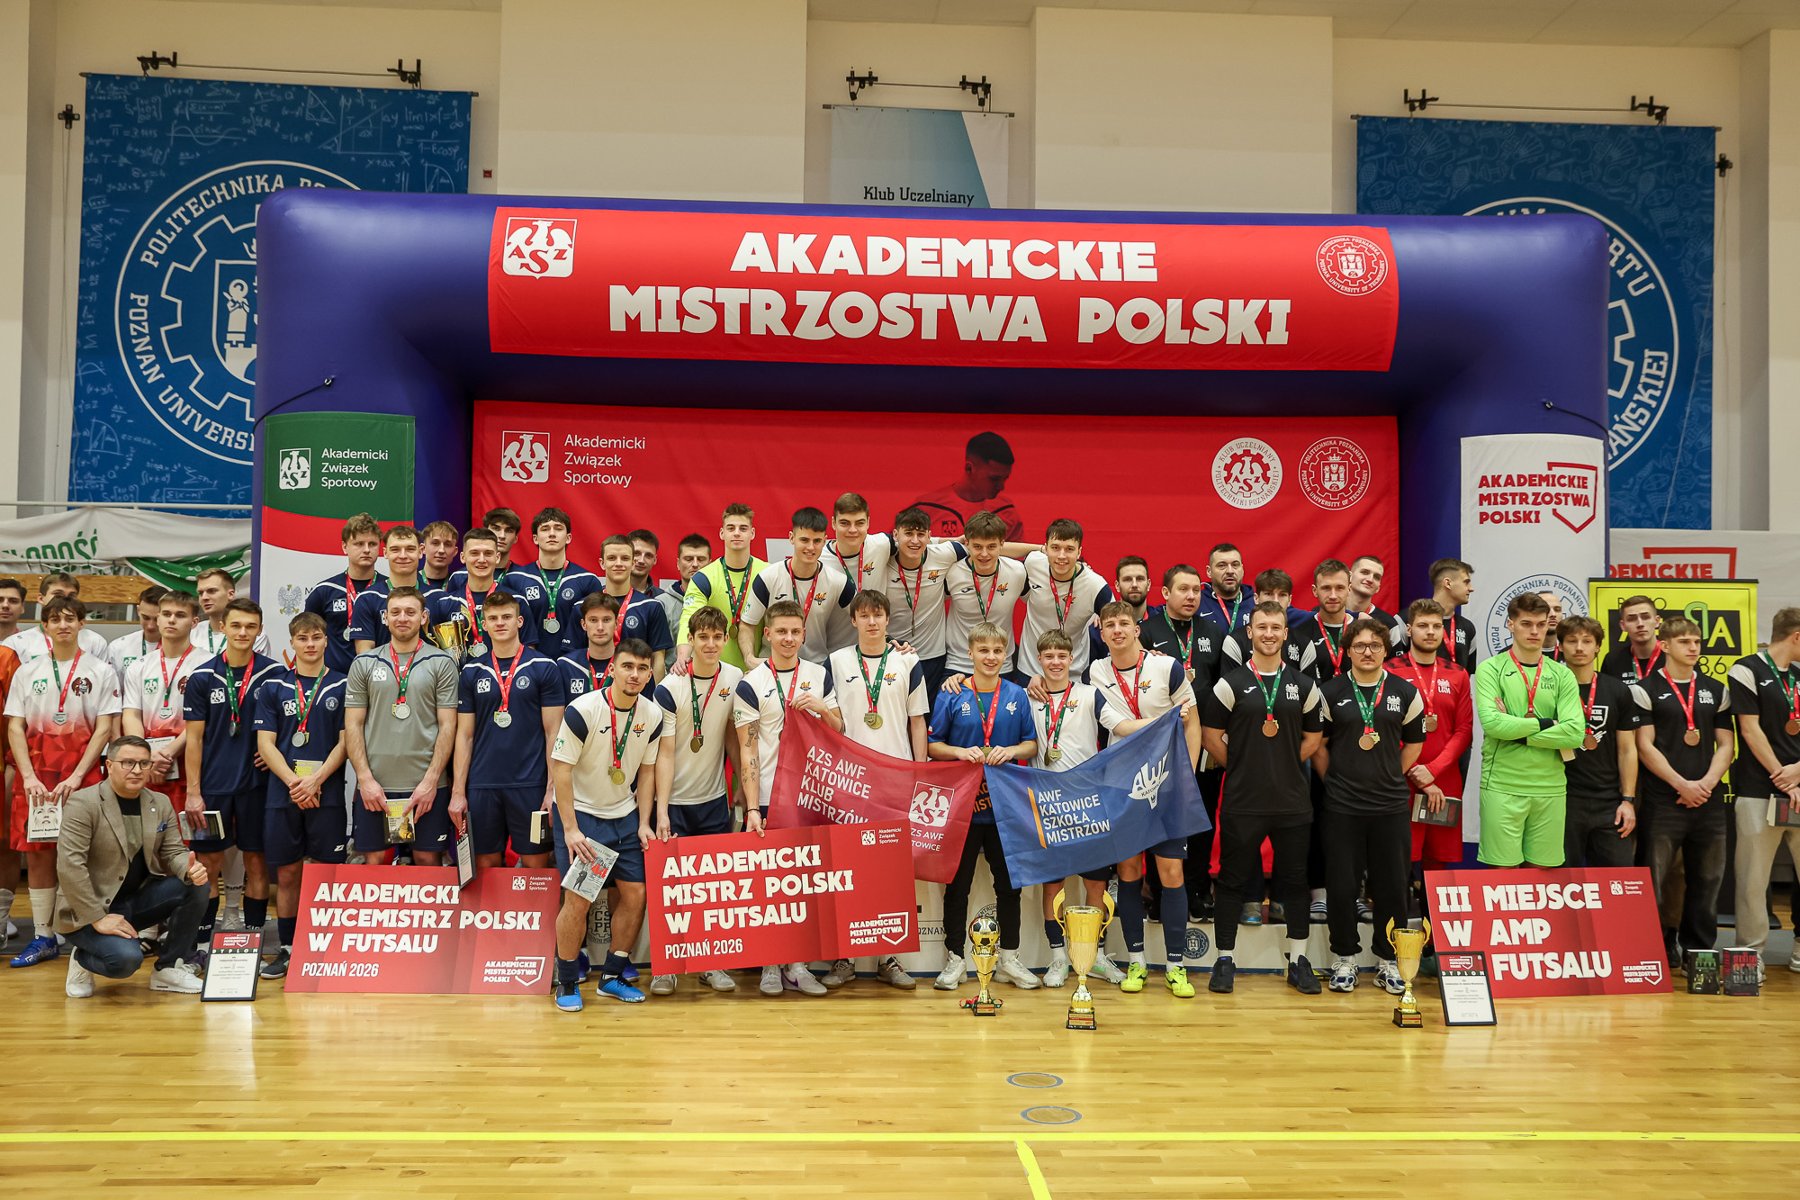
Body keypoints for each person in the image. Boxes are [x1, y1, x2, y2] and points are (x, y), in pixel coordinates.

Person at [1201, 600, 1325, 995]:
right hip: (1243, 800)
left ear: (1286, 634)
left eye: (1275, 627)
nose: (1268, 634)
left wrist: (1284, 763)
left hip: (1291, 802)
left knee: (1294, 882)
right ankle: (1224, 959)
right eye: (1261, 627)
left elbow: (1314, 738)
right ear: (1249, 633)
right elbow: (1210, 736)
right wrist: (1241, 766)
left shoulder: (1304, 686)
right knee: (1233, 880)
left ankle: (1299, 961)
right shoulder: (1230, 684)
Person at [1088, 600, 1202, 997]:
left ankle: (1175, 966)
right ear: (1102, 634)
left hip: (1166, 782)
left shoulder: (1166, 667)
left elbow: (1193, 721)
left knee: (1171, 873)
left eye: (1124, 623)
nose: (1118, 630)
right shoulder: (1096, 672)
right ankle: (1136, 962)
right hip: (1122, 785)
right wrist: (1167, 719)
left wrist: (1186, 775)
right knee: (1129, 871)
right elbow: (1119, 726)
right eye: (1110, 626)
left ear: (1137, 629)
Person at [732, 599, 841, 997]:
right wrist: (752, 807)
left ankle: (798, 966)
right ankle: (770, 964)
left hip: (809, 793)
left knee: (805, 883)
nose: (789, 638)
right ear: (767, 635)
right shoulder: (752, 682)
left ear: (804, 634)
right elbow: (747, 749)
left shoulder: (818, 675)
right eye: (781, 631)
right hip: (768, 794)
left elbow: (839, 730)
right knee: (769, 884)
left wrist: (822, 710)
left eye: (795, 632)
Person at [6, 595, 121, 967]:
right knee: (39, 853)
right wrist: (27, 776)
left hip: (82, 773)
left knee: (81, 853)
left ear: (82, 624)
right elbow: (15, 726)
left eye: (70, 618)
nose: (63, 625)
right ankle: (43, 936)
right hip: (37, 774)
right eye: (55, 619)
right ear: (44, 626)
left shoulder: (100, 670)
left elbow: (104, 728)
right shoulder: (28, 671)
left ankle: (75, 931)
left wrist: (77, 776)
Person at [548, 638, 663, 1011]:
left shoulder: (652, 714)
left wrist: (643, 822)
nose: (634, 675)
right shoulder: (583, 710)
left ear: (650, 674)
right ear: (612, 668)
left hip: (624, 814)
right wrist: (570, 829)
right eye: (627, 666)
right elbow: (561, 770)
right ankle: (568, 981)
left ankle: (612, 977)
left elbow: (647, 772)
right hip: (582, 815)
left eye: (642, 668)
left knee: (636, 895)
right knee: (579, 899)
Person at [821, 589, 926, 990]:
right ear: (853, 621)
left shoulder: (908, 662)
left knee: (891, 873)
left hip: (895, 781)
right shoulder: (835, 662)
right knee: (846, 872)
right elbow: (833, 723)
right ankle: (844, 958)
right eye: (863, 615)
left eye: (877, 615)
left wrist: (918, 775)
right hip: (850, 781)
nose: (871, 622)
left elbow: (917, 721)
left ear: (887, 619)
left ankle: (888, 957)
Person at [929, 621, 1040, 994]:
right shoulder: (952, 693)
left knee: (1009, 886)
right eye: (983, 650)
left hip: (1005, 807)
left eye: (997, 651)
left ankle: (1009, 958)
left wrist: (1012, 750)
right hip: (963, 806)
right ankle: (955, 959)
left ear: (1005, 654)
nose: (990, 657)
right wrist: (960, 752)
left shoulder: (1017, 695)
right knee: (956, 885)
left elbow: (1031, 744)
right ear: (971, 652)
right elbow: (933, 746)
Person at [1318, 618, 1427, 995]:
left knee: (1393, 885)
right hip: (1342, 805)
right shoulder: (1330, 692)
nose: (1368, 652)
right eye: (1360, 646)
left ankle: (1388, 959)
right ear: (1347, 651)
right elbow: (1318, 746)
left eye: (1375, 646)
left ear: (1386, 650)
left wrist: (1389, 775)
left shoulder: (1405, 692)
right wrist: (1337, 780)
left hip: (1390, 804)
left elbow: (1414, 744)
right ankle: (1344, 958)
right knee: (1342, 885)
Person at [56, 736, 209, 998]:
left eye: (143, 763)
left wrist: (189, 868)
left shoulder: (159, 802)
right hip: (88, 910)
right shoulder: (83, 803)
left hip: (134, 902)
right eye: (128, 763)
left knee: (195, 885)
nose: (137, 770)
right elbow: (70, 865)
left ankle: (168, 968)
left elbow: (173, 851)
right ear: (109, 765)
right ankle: (82, 959)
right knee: (126, 961)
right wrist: (97, 918)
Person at [648, 607, 744, 996]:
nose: (710, 644)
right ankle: (666, 967)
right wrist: (661, 810)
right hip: (675, 802)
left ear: (726, 639)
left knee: (712, 888)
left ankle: (711, 963)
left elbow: (734, 735)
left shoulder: (734, 678)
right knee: (669, 887)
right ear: (690, 639)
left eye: (717, 637)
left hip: (713, 800)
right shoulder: (670, 687)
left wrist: (740, 785)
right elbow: (665, 752)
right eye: (702, 637)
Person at [1025, 630, 1127, 988]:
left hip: (1089, 803)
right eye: (1049, 656)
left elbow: (1120, 726)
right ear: (1039, 659)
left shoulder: (1089, 694)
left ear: (1072, 659)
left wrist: (1162, 721)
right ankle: (1058, 958)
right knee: (1053, 885)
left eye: (1061, 656)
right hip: (1048, 804)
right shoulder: (1028, 697)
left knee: (1095, 883)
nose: (1055, 662)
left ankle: (1095, 955)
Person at [252, 612, 350, 978]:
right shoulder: (274, 687)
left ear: (326, 640)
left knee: (326, 873)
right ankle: (289, 948)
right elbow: (265, 743)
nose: (310, 644)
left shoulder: (343, 684)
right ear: (292, 642)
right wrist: (296, 783)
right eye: (303, 638)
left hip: (327, 792)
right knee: (288, 873)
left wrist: (316, 780)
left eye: (316, 637)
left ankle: (324, 946)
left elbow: (347, 742)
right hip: (284, 794)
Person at [1632, 616, 1733, 965]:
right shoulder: (1644, 689)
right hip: (1663, 801)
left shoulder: (1716, 690)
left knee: (1708, 879)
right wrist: (1681, 784)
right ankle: (1655, 947)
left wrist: (1706, 784)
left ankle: (1698, 951)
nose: (1693, 648)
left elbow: (1726, 744)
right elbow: (1644, 746)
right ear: (1665, 646)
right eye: (1685, 642)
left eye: (1697, 642)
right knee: (1655, 879)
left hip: (1708, 801)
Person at [182, 597, 283, 947]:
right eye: (236, 625)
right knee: (208, 863)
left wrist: (274, 755)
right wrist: (193, 792)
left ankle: (253, 938)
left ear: (259, 630)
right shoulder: (202, 677)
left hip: (258, 785)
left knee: (256, 861)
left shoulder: (274, 675)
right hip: (213, 786)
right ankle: (202, 942)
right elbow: (194, 739)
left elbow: (286, 727)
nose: (243, 632)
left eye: (250, 626)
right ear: (222, 626)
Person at [450, 589, 566, 871]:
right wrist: (458, 791)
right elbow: (464, 735)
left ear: (519, 621)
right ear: (484, 624)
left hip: (531, 783)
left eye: (506, 617)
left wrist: (552, 788)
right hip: (483, 783)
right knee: (485, 864)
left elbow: (554, 733)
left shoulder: (544, 667)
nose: (500, 623)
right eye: (493, 618)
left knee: (536, 865)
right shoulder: (471, 671)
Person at [345, 587, 461, 867]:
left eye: (410, 612)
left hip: (427, 784)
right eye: (395, 612)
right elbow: (353, 724)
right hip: (376, 785)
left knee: (427, 859)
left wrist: (431, 782)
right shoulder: (364, 663)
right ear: (385, 618)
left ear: (424, 617)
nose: (402, 618)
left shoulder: (442, 662)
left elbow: (448, 726)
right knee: (374, 860)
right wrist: (365, 780)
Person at [1137, 564, 1226, 920]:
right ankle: (1158, 892)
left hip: (1202, 743)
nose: (1191, 596)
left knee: (1200, 816)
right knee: (1157, 815)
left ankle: (1197, 888)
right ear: (1165, 593)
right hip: (1159, 743)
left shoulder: (1214, 631)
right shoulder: (1147, 631)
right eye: (1183, 590)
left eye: (1196, 590)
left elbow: (1223, 687)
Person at [1473, 591, 1585, 868]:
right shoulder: (1491, 669)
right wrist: (1549, 724)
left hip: (1551, 787)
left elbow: (1574, 733)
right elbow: (1493, 724)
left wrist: (1517, 731)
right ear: (1511, 624)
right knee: (1504, 876)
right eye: (1526, 624)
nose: (1534, 631)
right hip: (1502, 784)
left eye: (1540, 624)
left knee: (1543, 876)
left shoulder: (1562, 674)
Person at [1727, 607, 1800, 979]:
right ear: (1796, 636)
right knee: (1752, 881)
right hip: (1759, 790)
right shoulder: (1746, 669)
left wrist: (1798, 772)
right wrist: (1783, 776)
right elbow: (1749, 730)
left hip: (1799, 785)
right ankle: (1749, 956)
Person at [1385, 600, 1473, 872]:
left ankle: (1430, 904)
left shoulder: (1458, 674)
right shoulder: (1389, 671)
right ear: (1409, 629)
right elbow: (1388, 730)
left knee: (1438, 860)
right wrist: (1416, 771)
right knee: (1398, 856)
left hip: (1443, 778)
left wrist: (1432, 771)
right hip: (1400, 775)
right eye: (1423, 625)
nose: (1431, 632)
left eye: (1436, 626)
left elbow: (1464, 730)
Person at [1557, 615, 1640, 868]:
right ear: (1560, 646)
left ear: (1598, 647)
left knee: (1619, 880)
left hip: (1609, 802)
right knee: (1561, 881)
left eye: (1587, 641)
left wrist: (1628, 801)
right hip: (1563, 798)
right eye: (1572, 641)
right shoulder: (1550, 689)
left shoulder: (1617, 690)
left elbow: (1627, 750)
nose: (1579, 647)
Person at [738, 507, 852, 668]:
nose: (811, 547)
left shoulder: (837, 581)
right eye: (804, 540)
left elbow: (864, 616)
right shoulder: (768, 578)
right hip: (773, 666)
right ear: (791, 538)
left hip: (815, 667)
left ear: (825, 541)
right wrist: (749, 658)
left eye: (817, 541)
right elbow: (747, 625)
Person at [121, 590, 202, 818]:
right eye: (166, 614)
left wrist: (169, 751)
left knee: (187, 832)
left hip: (189, 759)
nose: (172, 620)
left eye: (180, 615)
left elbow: (204, 721)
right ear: (158, 619)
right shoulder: (139, 666)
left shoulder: (207, 665)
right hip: (149, 762)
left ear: (194, 622)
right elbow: (131, 715)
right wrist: (146, 753)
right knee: (147, 830)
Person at [1010, 518, 1112, 683]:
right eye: (1055, 548)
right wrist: (1039, 548)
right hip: (1030, 670)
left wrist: (1144, 655)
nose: (1062, 556)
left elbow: (1120, 626)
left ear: (1079, 552)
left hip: (1073, 673)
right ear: (1046, 548)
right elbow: (997, 549)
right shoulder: (1033, 563)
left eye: (1069, 549)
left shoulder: (1095, 585)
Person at [883, 506, 968, 699]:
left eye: (921, 534)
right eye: (908, 534)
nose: (915, 540)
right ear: (895, 535)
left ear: (929, 536)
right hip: (894, 653)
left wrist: (1036, 548)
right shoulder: (882, 559)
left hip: (933, 656)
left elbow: (989, 547)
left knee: (927, 713)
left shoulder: (945, 554)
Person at [677, 504, 766, 674]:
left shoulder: (767, 573)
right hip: (715, 674)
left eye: (743, 528)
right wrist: (683, 656)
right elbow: (689, 618)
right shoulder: (704, 578)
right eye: (731, 528)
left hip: (756, 671)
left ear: (752, 533)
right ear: (722, 533)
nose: (737, 533)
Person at [506, 507, 603, 663]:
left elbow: (596, 628)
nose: (552, 533)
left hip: (575, 665)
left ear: (568, 538)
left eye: (558, 528)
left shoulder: (588, 580)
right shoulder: (515, 579)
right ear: (535, 538)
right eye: (545, 529)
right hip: (528, 665)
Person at [943, 511, 1027, 685]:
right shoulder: (951, 572)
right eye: (977, 546)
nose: (984, 554)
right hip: (959, 663)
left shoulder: (1017, 572)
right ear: (967, 543)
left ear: (1002, 544)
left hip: (1000, 664)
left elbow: (1042, 600)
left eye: (991, 546)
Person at [430, 528, 539, 661]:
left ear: (497, 557)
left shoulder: (516, 601)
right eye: (474, 553)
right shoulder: (444, 604)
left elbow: (528, 649)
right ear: (463, 557)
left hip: (505, 674)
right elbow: (435, 653)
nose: (481, 559)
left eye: (488, 553)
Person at [305, 512, 388, 675]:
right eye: (359, 544)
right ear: (344, 547)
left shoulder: (389, 591)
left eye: (372, 544)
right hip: (333, 680)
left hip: (379, 677)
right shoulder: (324, 591)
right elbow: (307, 638)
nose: (366, 550)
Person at [912, 431, 1025, 539]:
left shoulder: (1007, 512)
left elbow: (1017, 553)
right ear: (969, 468)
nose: (1001, 486)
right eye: (994, 479)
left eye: (1005, 479)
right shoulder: (926, 508)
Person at [594, 534, 673, 676]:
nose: (618, 563)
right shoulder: (586, 605)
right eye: (612, 558)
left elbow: (658, 659)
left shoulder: (652, 606)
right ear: (602, 563)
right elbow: (578, 655)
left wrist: (655, 691)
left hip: (637, 684)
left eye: (624, 558)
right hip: (596, 683)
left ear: (632, 563)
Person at [351, 525, 435, 655]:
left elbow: (448, 652)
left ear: (421, 551)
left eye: (410, 549)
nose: (403, 555)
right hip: (381, 668)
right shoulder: (367, 598)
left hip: (430, 668)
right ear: (385, 553)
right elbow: (364, 655)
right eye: (395, 550)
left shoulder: (439, 598)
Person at [824, 493, 890, 652]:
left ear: (868, 523)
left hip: (876, 650)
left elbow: (915, 543)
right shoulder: (819, 561)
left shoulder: (882, 545)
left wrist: (949, 541)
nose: (852, 530)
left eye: (859, 523)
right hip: (835, 652)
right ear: (833, 523)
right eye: (845, 523)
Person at [4, 572, 112, 664]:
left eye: (71, 596)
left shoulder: (94, 641)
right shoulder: (15, 643)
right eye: (58, 595)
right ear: (41, 599)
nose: (64, 600)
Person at [1394, 558, 1477, 671]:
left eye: (1437, 626)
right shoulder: (1404, 619)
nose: (1471, 588)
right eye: (1466, 582)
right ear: (1448, 583)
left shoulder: (1468, 627)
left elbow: (1468, 674)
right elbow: (1392, 666)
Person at [190, 568, 273, 658]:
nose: (204, 597)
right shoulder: (192, 632)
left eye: (212, 591)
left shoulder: (252, 633)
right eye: (200, 593)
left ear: (230, 594)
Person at [559, 593, 620, 701]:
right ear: (583, 624)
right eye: (593, 620)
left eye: (606, 620)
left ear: (616, 624)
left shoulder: (628, 666)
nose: (600, 627)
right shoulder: (566, 665)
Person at [107, 584, 168, 684]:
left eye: (157, 619)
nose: (150, 626)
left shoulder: (181, 648)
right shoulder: (118, 647)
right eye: (146, 618)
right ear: (138, 611)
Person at [0, 628, 18, 943]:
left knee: (4, 842)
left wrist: (12, 766)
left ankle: (1, 918)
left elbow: (15, 719)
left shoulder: (5, 658)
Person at [1602, 594, 1664, 682]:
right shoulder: (1612, 660)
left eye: (1645, 617)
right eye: (1632, 619)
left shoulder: (1674, 657)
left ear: (1657, 621)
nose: (1640, 624)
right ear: (1623, 625)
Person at [657, 533, 711, 634]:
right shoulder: (661, 604)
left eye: (701, 559)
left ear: (710, 564)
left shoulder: (719, 599)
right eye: (688, 559)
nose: (695, 564)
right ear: (678, 564)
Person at [1198, 543, 1252, 632]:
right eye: (1222, 565)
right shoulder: (1196, 602)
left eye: (1235, 565)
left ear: (1242, 569)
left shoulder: (1257, 603)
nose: (1230, 571)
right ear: (1209, 571)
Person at [1346, 554, 1400, 638]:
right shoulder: (1327, 613)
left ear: (1378, 587)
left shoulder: (1389, 624)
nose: (1370, 579)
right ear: (1349, 576)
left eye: (1376, 577)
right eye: (1365, 572)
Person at [419, 520, 461, 592]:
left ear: (455, 551)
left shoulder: (460, 585)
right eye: (435, 543)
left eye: (448, 544)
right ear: (423, 549)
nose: (441, 550)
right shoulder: (411, 582)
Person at [482, 506, 523, 574]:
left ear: (515, 539)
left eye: (509, 531)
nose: (502, 536)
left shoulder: (524, 577)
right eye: (496, 529)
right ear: (484, 533)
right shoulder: (464, 575)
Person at [627, 529, 660, 596]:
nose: (641, 561)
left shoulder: (661, 598)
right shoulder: (606, 595)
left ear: (655, 560)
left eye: (648, 555)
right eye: (636, 553)